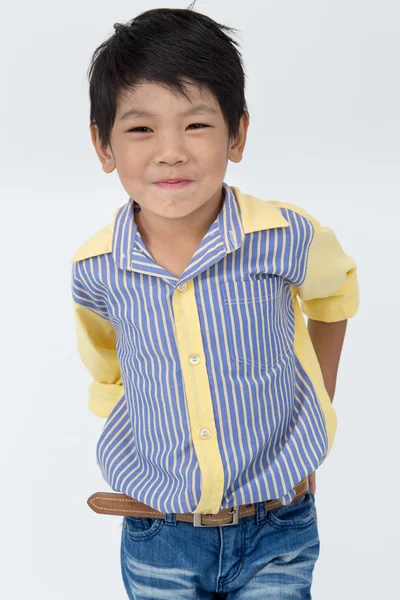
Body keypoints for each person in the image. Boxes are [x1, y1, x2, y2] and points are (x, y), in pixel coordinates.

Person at [70, 3, 360, 599]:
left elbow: (335, 297)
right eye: (141, 128)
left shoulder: (286, 237)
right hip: (159, 531)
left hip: (278, 523)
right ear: (104, 147)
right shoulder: (96, 269)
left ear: (238, 134)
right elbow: (110, 373)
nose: (171, 151)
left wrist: (318, 406)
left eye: (197, 125)